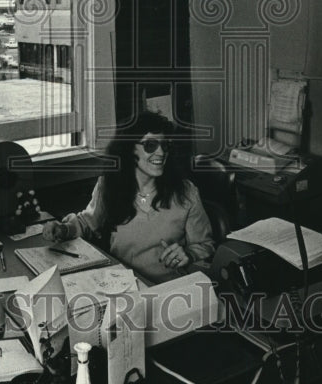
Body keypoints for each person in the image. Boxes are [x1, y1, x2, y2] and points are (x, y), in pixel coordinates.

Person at [42, 110, 215, 284]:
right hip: (121, 284)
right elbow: (87, 223)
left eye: (165, 145)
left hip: (166, 289)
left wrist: (190, 254)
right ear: (130, 149)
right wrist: (63, 229)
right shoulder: (109, 185)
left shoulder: (186, 193)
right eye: (150, 145)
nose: (161, 153)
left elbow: (205, 245)